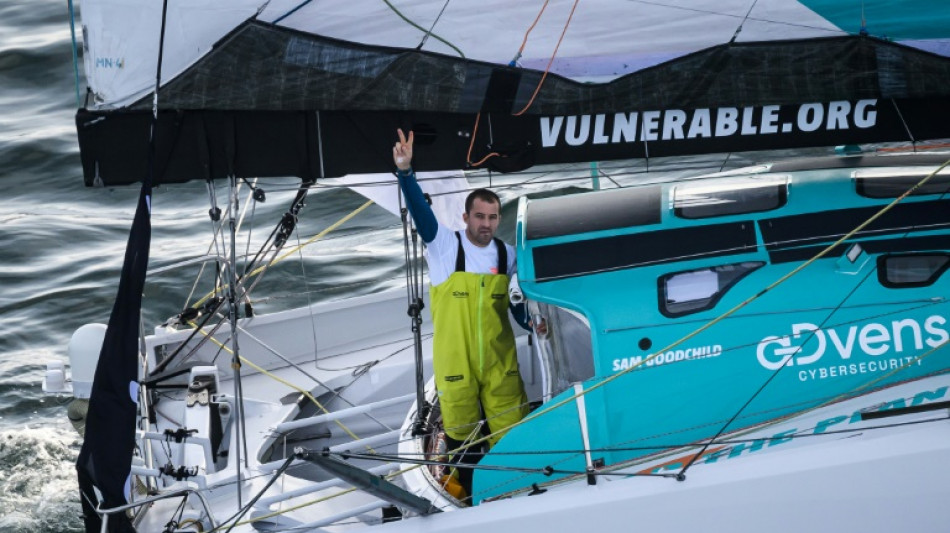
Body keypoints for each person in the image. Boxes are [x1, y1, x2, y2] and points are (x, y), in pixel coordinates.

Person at [393, 129, 530, 493]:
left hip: (500, 365)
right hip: (456, 369)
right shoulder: (442, 247)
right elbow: (422, 216)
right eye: (479, 216)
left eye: (492, 217)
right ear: (466, 217)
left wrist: (536, 323)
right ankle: (471, 497)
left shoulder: (507, 256)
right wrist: (405, 172)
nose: (486, 224)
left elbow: (523, 298)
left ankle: (516, 494)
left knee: (514, 437)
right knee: (462, 443)